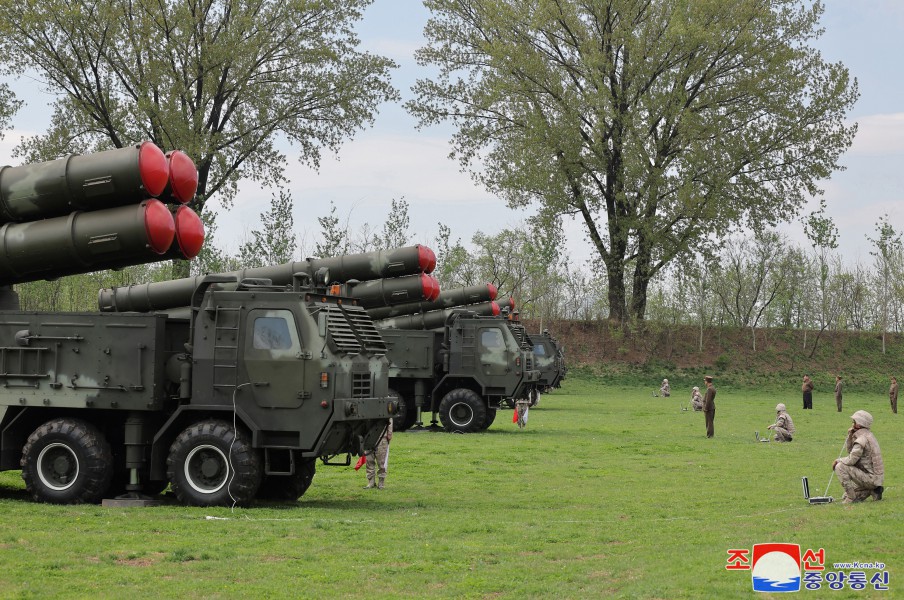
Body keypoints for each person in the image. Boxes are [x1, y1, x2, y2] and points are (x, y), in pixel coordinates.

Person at [832, 410, 884, 503]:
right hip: (875, 479)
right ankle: (874, 491)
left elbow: (851, 460)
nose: (852, 424)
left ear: (859, 425)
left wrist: (838, 460)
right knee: (844, 496)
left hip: (870, 479)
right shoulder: (869, 435)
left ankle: (850, 498)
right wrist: (850, 436)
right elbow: (850, 451)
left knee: (840, 467)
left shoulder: (861, 439)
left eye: (854, 422)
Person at [364, 419, 393, 489]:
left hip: (381, 438)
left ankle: (381, 482)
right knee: (369, 461)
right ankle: (371, 482)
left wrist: (389, 433)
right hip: (368, 437)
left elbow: (390, 420)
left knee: (381, 462)